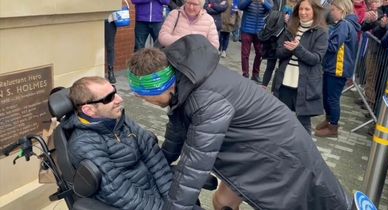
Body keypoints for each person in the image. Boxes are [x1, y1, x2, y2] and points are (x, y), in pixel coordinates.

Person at [127, 34, 350, 210]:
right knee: (223, 202)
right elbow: (176, 132)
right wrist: (159, 161)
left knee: (311, 201)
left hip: (279, 154)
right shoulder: (185, 82)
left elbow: (195, 164)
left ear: (162, 87)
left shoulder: (205, 100)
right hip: (257, 147)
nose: (146, 102)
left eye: (146, 97)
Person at [65, 76, 172, 209]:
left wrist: (174, 200)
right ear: (89, 110)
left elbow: (155, 158)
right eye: (109, 98)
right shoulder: (84, 144)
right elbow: (118, 191)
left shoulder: (121, 120)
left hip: (158, 198)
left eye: (114, 92)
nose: (120, 99)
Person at [272, 0, 328, 134]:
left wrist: (298, 49)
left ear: (315, 11)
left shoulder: (321, 32)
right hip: (285, 82)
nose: (303, 12)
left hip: (305, 85)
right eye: (301, 9)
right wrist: (289, 49)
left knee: (303, 125)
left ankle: (305, 153)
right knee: (280, 120)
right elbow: (278, 52)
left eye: (307, 9)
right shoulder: (290, 28)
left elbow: (315, 59)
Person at [314, 0, 361, 137]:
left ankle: (333, 126)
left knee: (332, 98)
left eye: (333, 9)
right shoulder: (342, 24)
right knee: (327, 96)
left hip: (338, 68)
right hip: (333, 67)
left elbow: (334, 46)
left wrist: (322, 40)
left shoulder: (344, 25)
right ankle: (329, 120)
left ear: (342, 10)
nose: (331, 12)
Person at [238, 0, 273, 82]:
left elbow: (271, 9)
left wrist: (263, 2)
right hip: (246, 29)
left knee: (260, 53)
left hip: (260, 31)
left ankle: (255, 74)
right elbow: (240, 6)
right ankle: (245, 74)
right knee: (245, 53)